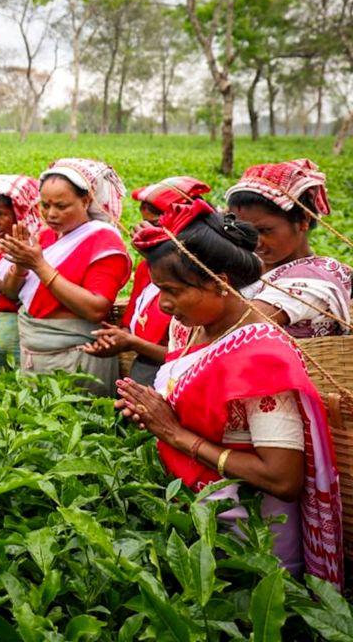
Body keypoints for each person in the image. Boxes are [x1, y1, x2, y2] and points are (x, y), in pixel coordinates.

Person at [117, 200, 342, 588]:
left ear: (219, 281)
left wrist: (176, 435)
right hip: (206, 521)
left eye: (172, 291)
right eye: (158, 290)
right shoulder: (194, 329)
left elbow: (282, 477)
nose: (164, 304)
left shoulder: (261, 357)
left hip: (255, 544)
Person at [0, 158, 131, 395]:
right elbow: (12, 292)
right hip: (35, 351)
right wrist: (20, 263)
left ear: (86, 200)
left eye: (61, 206)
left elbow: (97, 308)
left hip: (75, 357)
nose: (51, 214)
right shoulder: (46, 237)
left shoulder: (104, 242)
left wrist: (39, 265)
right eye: (45, 206)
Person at [83, 176, 212, 386]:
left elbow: (191, 355)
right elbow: (130, 324)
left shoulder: (203, 277)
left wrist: (132, 343)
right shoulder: (146, 268)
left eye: (154, 224)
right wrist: (115, 339)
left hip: (181, 379)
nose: (144, 230)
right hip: (142, 372)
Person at [225, 159, 351, 340]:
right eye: (246, 231)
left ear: (303, 221)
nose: (254, 242)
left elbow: (241, 326)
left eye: (264, 230)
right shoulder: (251, 263)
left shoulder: (315, 278)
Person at [0, 174, 52, 370]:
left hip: (16, 332)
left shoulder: (33, 248)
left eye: (1, 214)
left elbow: (19, 295)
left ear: (18, 214)